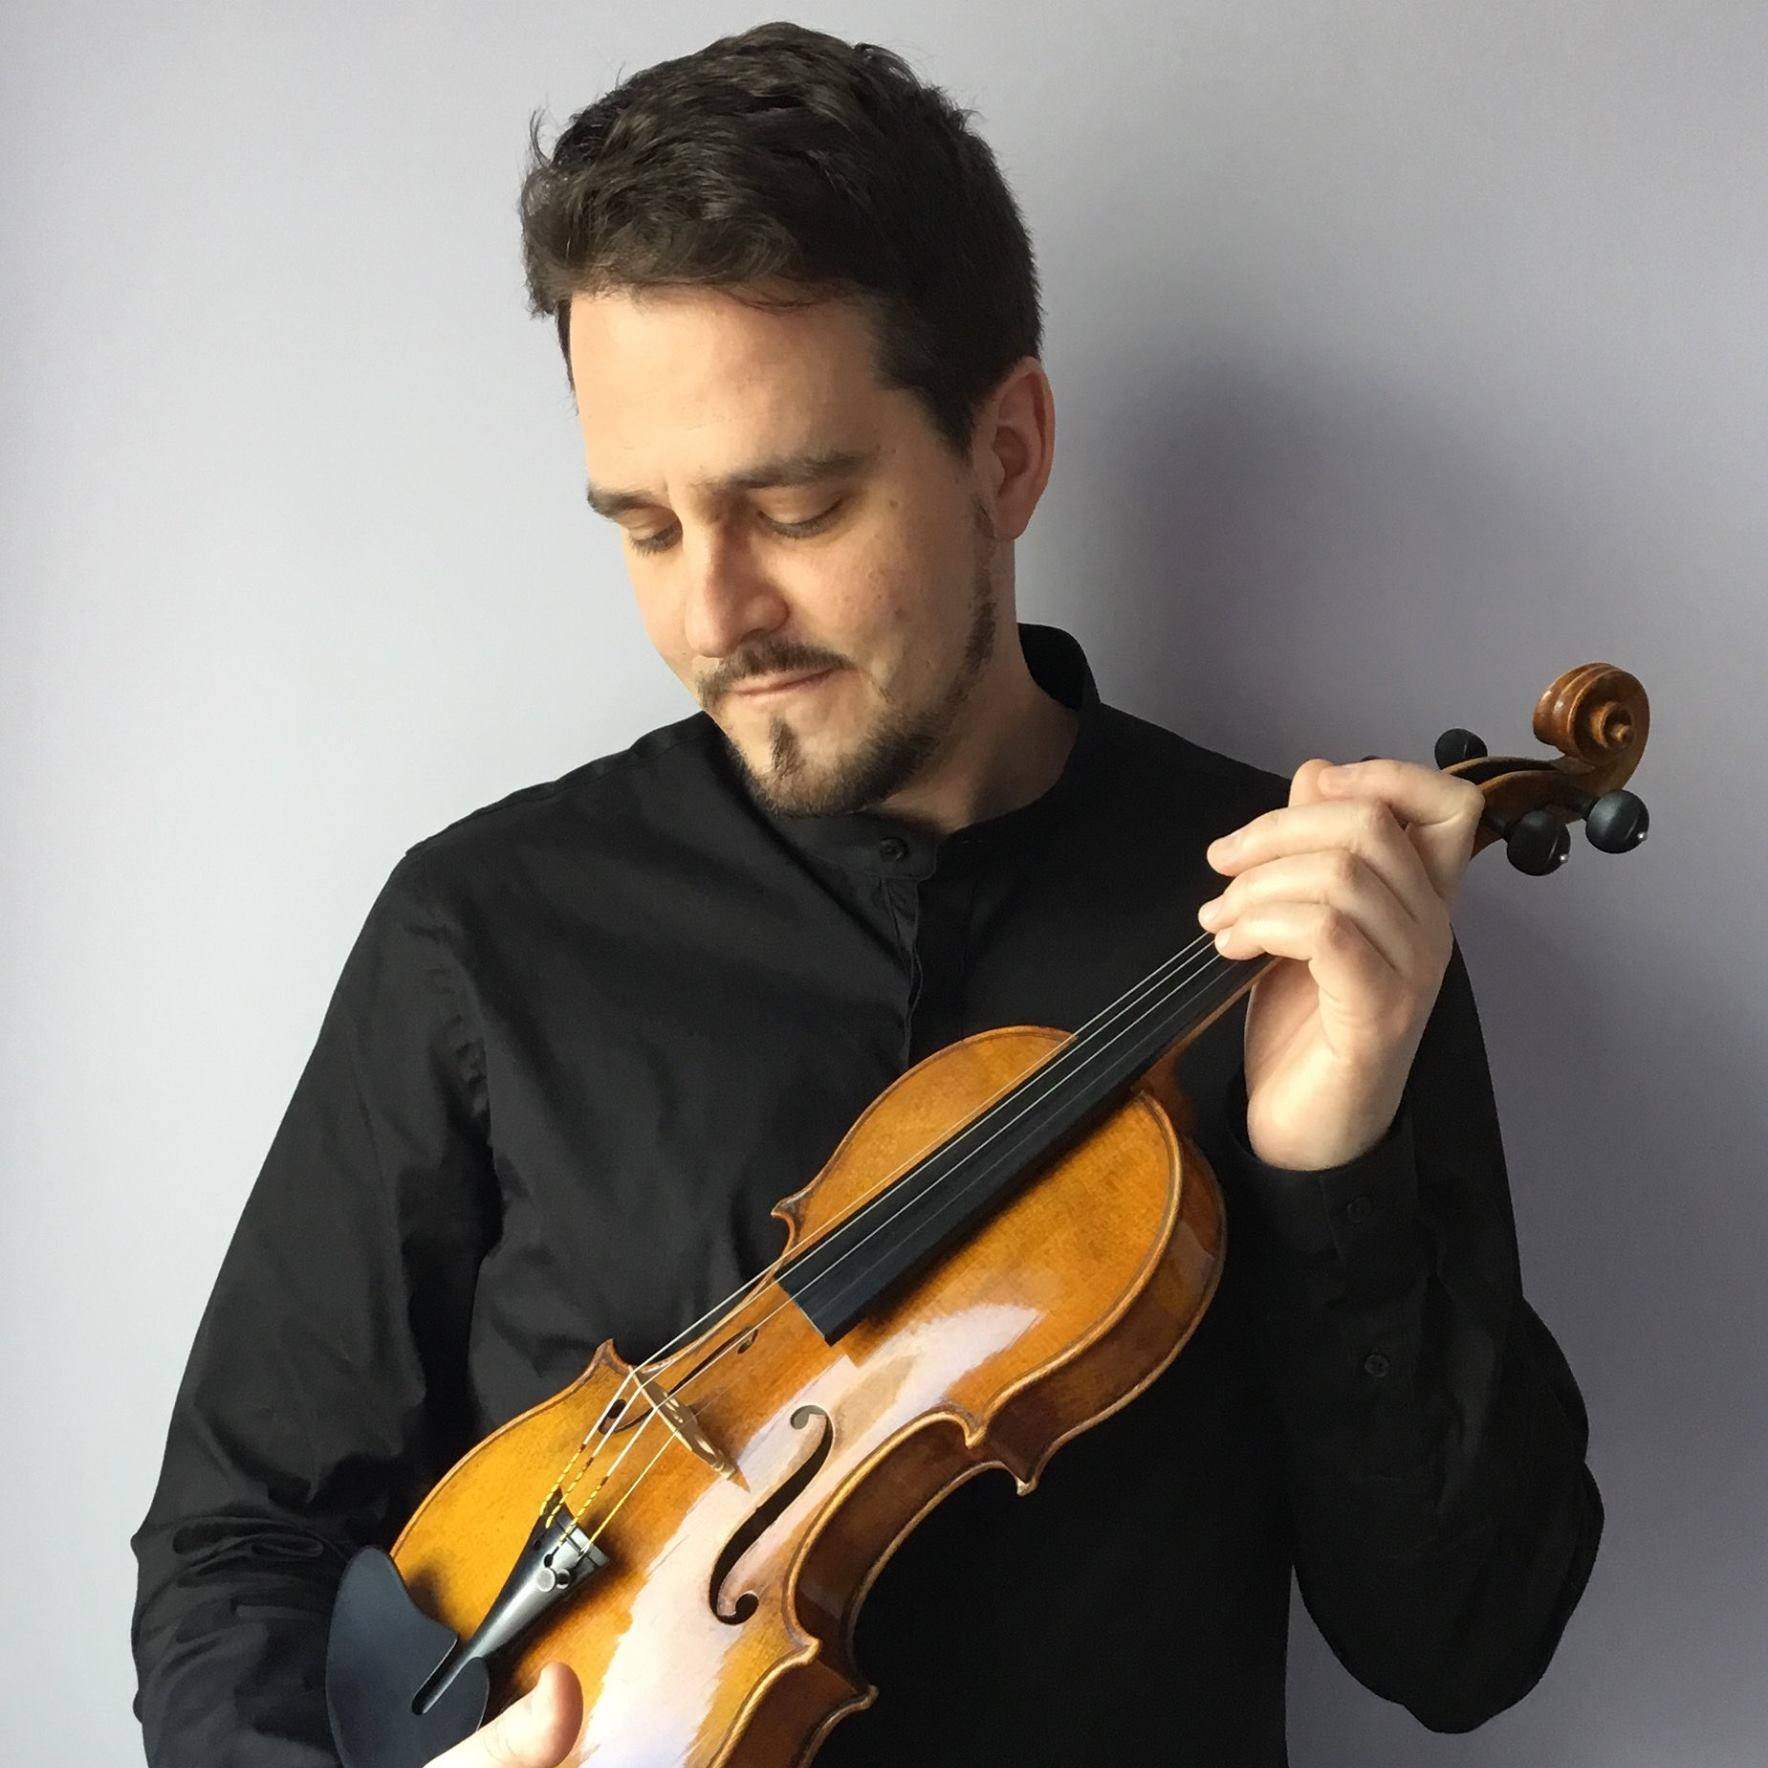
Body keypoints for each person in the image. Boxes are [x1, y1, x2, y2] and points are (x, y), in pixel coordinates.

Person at [129, 21, 1603, 1767]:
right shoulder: (483, 931)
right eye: (646, 528)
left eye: (798, 506)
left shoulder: (1300, 930)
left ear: (1008, 451)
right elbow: (240, 1546)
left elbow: (1464, 1646)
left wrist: (1330, 1162)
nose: (713, 617)